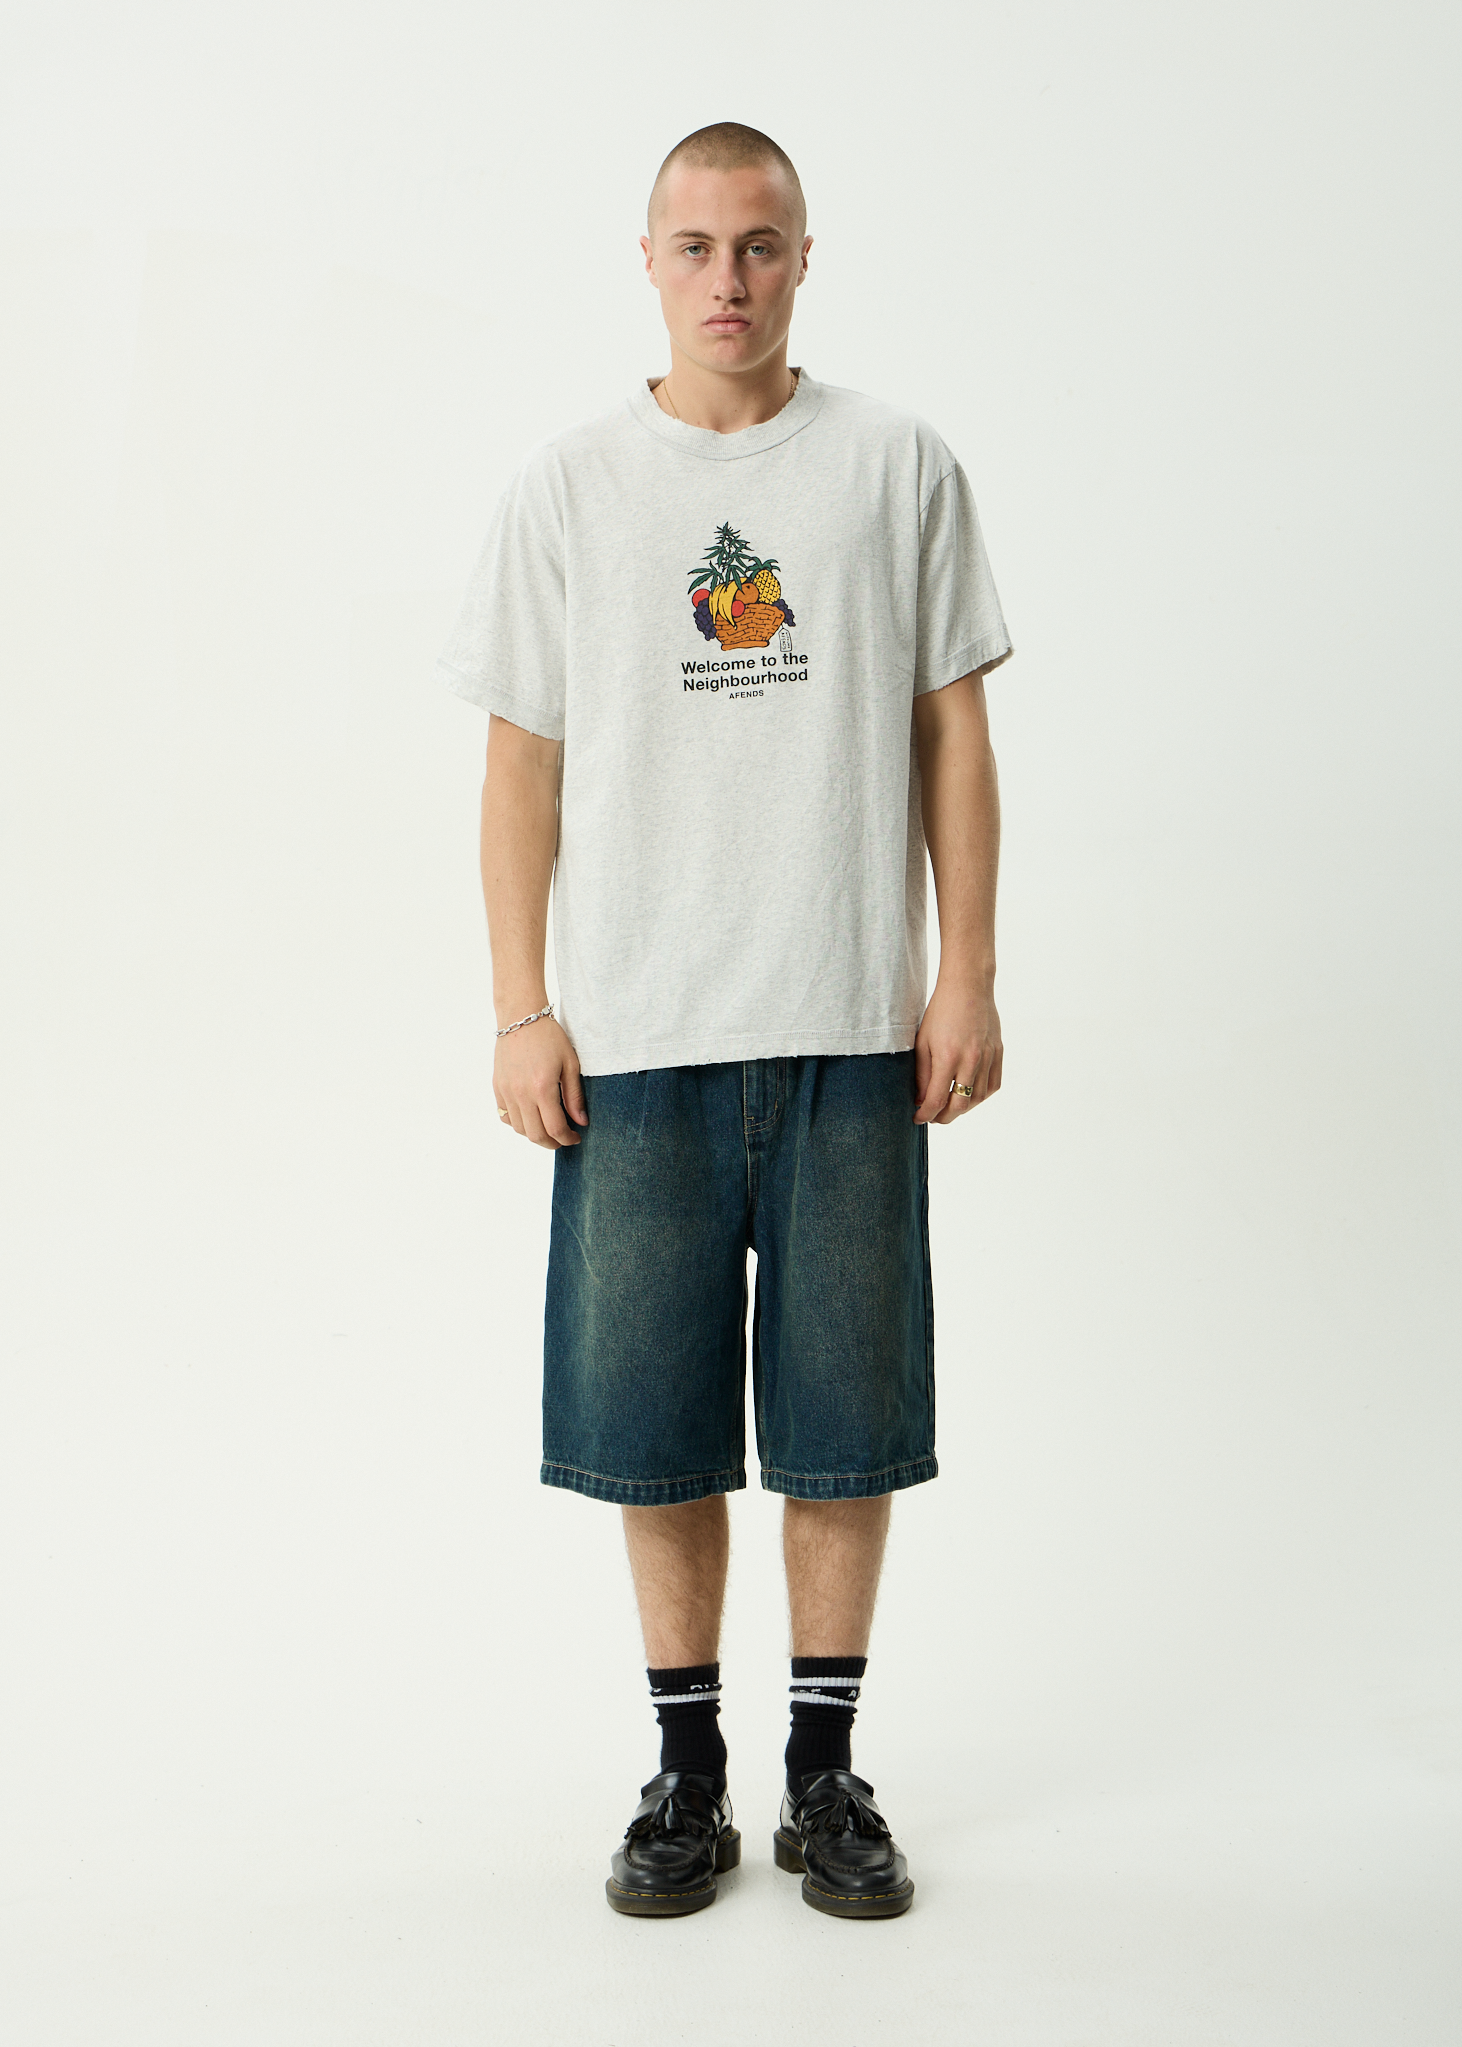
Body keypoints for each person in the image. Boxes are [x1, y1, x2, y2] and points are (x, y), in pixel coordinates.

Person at [438, 122, 1011, 1921]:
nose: (728, 280)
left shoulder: (895, 465)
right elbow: (518, 767)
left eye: (758, 244)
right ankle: (684, 1773)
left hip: (846, 1020)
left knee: (843, 1422)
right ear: (647, 262)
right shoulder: (570, 488)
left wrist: (966, 971)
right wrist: (521, 1005)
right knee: (655, 1424)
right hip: (637, 1037)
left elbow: (953, 733)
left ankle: (822, 1771)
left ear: (804, 256)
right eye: (694, 246)